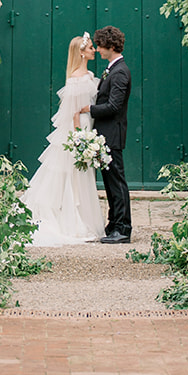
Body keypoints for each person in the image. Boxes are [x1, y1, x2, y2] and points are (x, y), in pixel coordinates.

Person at [23, 33, 107, 246]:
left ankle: (82, 218)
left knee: (82, 175)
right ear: (81, 52)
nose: (94, 50)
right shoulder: (76, 79)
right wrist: (79, 138)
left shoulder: (88, 75)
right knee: (73, 175)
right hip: (79, 130)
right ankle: (73, 221)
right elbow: (74, 112)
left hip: (89, 125)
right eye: (90, 48)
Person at [86, 25, 132, 244]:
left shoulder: (121, 72)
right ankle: (113, 223)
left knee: (117, 182)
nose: (98, 49)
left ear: (112, 46)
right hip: (104, 136)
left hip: (112, 135)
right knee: (110, 182)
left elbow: (114, 106)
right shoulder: (112, 69)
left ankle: (123, 228)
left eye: (101, 46)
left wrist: (89, 109)